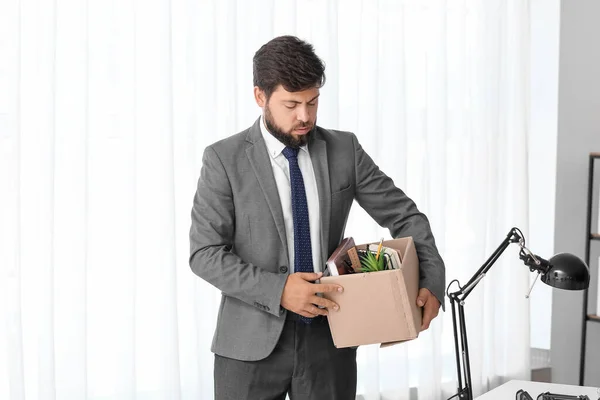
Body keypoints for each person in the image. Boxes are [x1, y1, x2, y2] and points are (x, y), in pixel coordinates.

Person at [189, 35, 445, 400]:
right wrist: (279, 291)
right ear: (260, 97)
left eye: (312, 102)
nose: (305, 116)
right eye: (291, 104)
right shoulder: (223, 160)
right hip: (248, 348)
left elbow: (406, 216)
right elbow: (205, 254)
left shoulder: (344, 150)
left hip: (330, 340)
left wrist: (431, 280)